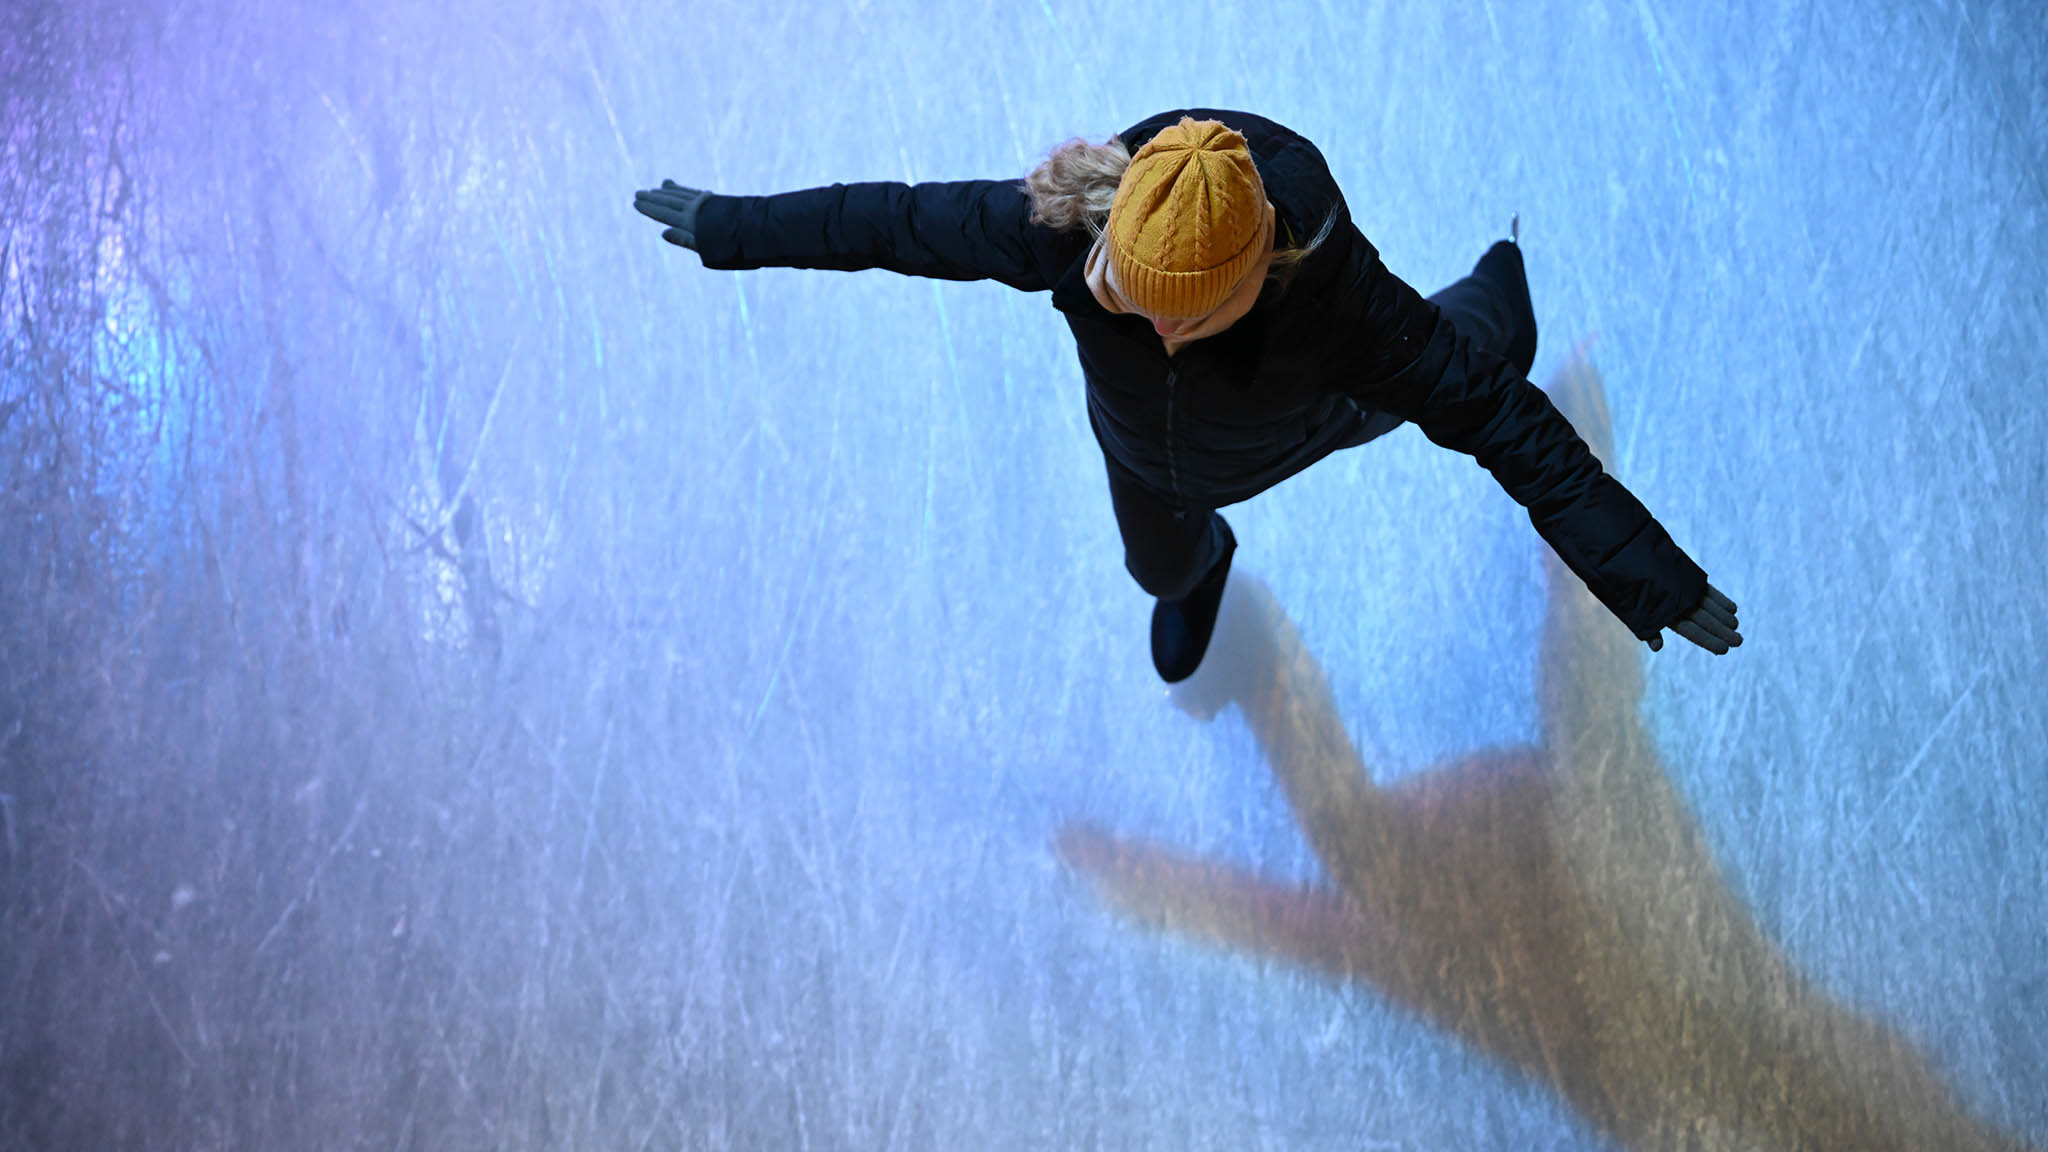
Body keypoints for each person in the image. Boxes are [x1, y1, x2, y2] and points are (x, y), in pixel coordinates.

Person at [633, 109, 1740, 682]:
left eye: (1176, 315)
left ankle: (1500, 294)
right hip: (1142, 456)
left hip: (1297, 421)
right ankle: (1201, 564)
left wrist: (1643, 574)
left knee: (1457, 364)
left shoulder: (1340, 304)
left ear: (1252, 279)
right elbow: (896, 221)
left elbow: (1502, 423)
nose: (1141, 321)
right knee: (1158, 565)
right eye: (1124, 289)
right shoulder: (1073, 224)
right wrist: (733, 225)